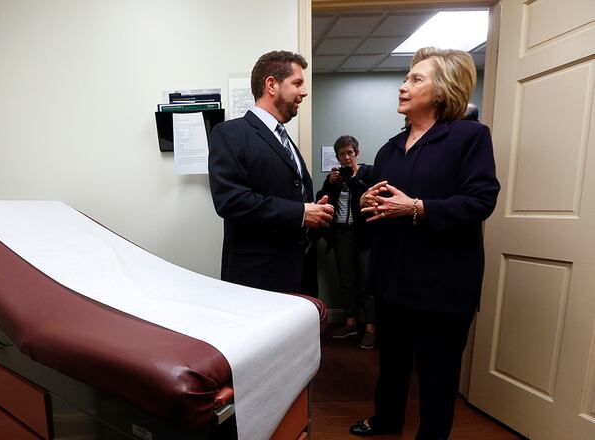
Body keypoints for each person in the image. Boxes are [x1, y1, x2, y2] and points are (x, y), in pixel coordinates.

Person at [349, 47, 500, 439]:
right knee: (392, 365)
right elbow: (382, 209)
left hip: (444, 286)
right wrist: (368, 202)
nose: (402, 86)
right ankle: (387, 421)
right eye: (405, 78)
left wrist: (416, 208)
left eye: (416, 79)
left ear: (441, 90)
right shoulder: (388, 149)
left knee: (438, 375)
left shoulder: (470, 137)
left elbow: (480, 201)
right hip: (392, 282)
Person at [208, 50, 334, 294]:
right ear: (271, 85)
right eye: (297, 83)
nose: (304, 92)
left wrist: (315, 211)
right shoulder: (229, 134)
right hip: (258, 277)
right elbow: (230, 201)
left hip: (297, 272)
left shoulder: (285, 140)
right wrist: (300, 213)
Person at [316, 135, 376, 349]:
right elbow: (321, 200)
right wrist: (329, 184)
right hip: (341, 234)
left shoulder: (368, 172)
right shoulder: (335, 178)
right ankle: (350, 322)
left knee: (367, 281)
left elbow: (369, 197)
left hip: (364, 234)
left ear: (356, 153)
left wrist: (350, 180)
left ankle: (370, 327)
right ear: (337, 157)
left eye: (349, 153)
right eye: (341, 154)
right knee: (346, 280)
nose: (346, 157)